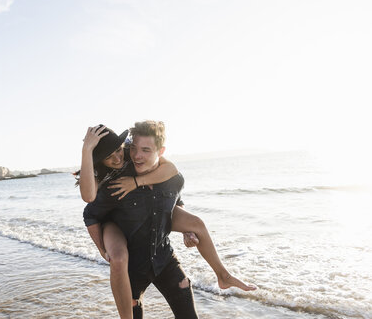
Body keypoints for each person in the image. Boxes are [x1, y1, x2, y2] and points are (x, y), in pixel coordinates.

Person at [79, 122, 255, 318]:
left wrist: (187, 230)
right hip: (129, 262)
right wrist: (103, 250)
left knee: (197, 223)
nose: (136, 156)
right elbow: (90, 210)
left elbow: (174, 191)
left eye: (145, 150)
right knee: (119, 262)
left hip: (162, 259)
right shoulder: (114, 184)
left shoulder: (162, 172)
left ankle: (224, 275)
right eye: (135, 150)